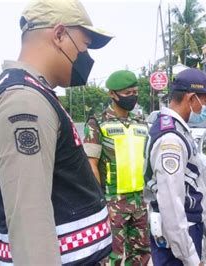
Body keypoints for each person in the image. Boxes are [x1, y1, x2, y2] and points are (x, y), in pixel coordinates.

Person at [0, 0, 113, 264]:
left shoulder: (35, 94)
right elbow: (30, 223)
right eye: (83, 45)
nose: (85, 56)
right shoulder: (24, 102)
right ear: (60, 35)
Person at [144, 68, 206, 265]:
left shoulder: (170, 126)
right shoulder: (170, 140)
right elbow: (171, 206)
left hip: (179, 234)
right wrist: (190, 256)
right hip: (180, 237)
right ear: (191, 99)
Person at [84, 70, 151, 265]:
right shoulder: (97, 123)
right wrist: (100, 200)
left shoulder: (140, 123)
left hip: (140, 200)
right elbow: (91, 165)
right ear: (112, 94)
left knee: (141, 253)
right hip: (113, 201)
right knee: (110, 256)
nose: (133, 97)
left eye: (135, 92)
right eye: (127, 93)